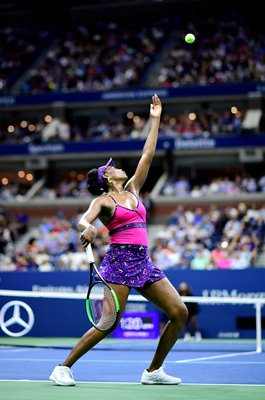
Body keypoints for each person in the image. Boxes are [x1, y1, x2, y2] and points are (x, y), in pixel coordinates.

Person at [49, 94, 188, 386]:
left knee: (179, 312)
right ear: (108, 177)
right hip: (119, 261)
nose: (118, 167)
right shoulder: (104, 200)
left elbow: (147, 155)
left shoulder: (134, 188)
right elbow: (84, 218)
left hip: (143, 261)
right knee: (108, 322)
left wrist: (156, 119)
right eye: (112, 167)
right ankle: (62, 367)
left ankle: (153, 372)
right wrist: (87, 227)